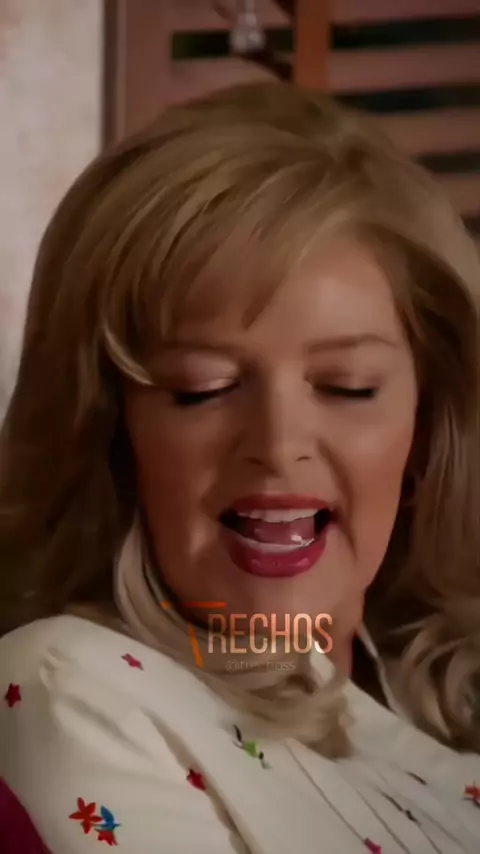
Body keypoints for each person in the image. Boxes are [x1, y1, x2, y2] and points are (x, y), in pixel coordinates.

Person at [0, 82, 479, 854]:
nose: (278, 443)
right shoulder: (71, 683)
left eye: (347, 386)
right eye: (204, 388)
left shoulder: (428, 703)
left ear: (427, 426)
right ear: (109, 434)